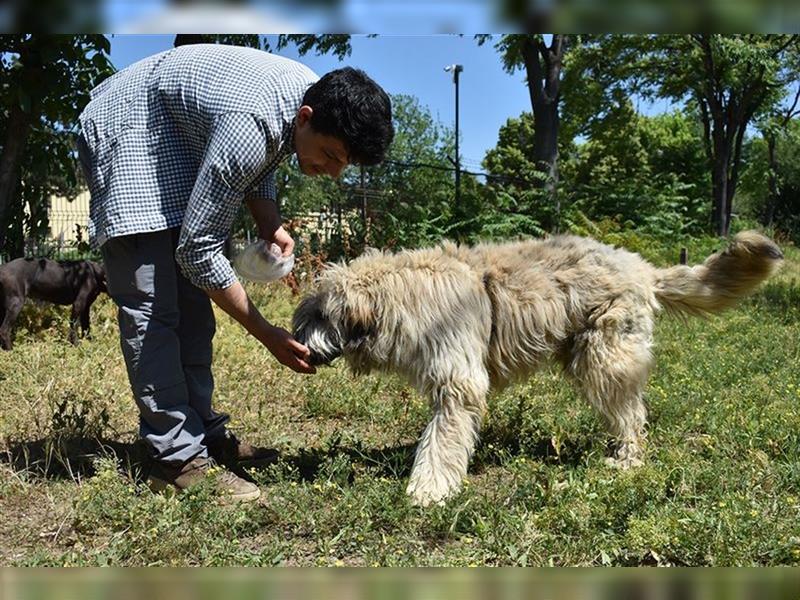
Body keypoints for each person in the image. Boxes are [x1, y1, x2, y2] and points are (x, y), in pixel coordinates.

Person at [76, 43, 394, 503]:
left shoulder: (305, 100)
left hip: (175, 134)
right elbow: (199, 247)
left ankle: (199, 432)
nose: (333, 172)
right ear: (306, 116)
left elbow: (260, 159)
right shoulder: (255, 121)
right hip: (128, 129)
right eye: (330, 155)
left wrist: (270, 221)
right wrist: (266, 332)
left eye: (344, 164)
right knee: (153, 307)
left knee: (192, 307)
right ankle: (175, 459)